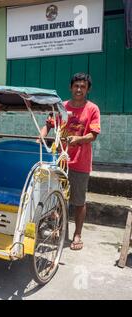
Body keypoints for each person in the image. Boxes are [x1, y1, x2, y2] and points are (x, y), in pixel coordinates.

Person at [39, 73, 101, 250]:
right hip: (59, 161)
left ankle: (77, 234)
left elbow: (93, 135)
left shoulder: (92, 109)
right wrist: (40, 139)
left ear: (87, 89)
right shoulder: (62, 107)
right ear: (71, 87)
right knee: (57, 198)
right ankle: (58, 228)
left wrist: (78, 139)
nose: (79, 89)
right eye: (76, 86)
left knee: (78, 201)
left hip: (80, 163)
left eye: (83, 86)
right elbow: (49, 125)